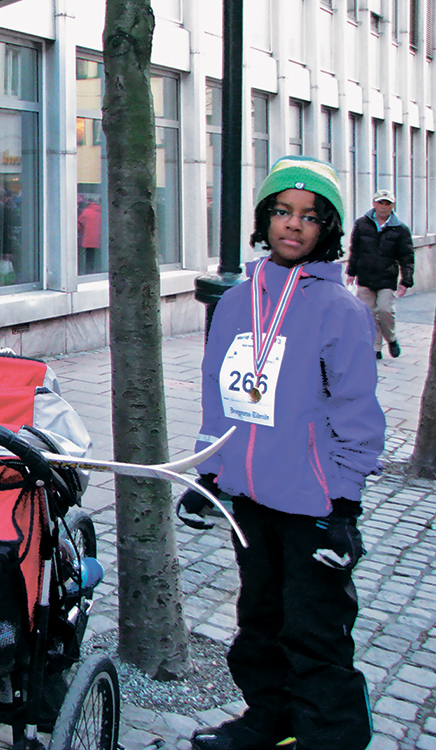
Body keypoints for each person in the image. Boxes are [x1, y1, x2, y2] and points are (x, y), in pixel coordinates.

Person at [177, 156, 384, 750]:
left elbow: (355, 411)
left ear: (328, 229)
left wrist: (344, 508)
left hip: (313, 503)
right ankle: (269, 721)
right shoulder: (239, 302)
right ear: (265, 220)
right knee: (260, 625)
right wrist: (210, 476)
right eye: (282, 213)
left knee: (315, 634)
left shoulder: (340, 309)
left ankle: (328, 738)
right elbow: (221, 395)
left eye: (309, 217)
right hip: (251, 498)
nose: (293, 226)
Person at [346, 188, 414, 360]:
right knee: (368, 313)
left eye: (387, 203)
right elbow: (355, 250)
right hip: (365, 276)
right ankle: (375, 347)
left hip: (387, 278)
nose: (383, 207)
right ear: (374, 203)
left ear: (392, 205)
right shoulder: (362, 224)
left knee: (385, 310)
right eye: (380, 202)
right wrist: (351, 272)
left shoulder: (400, 229)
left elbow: (407, 257)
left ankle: (391, 339)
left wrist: (406, 281)